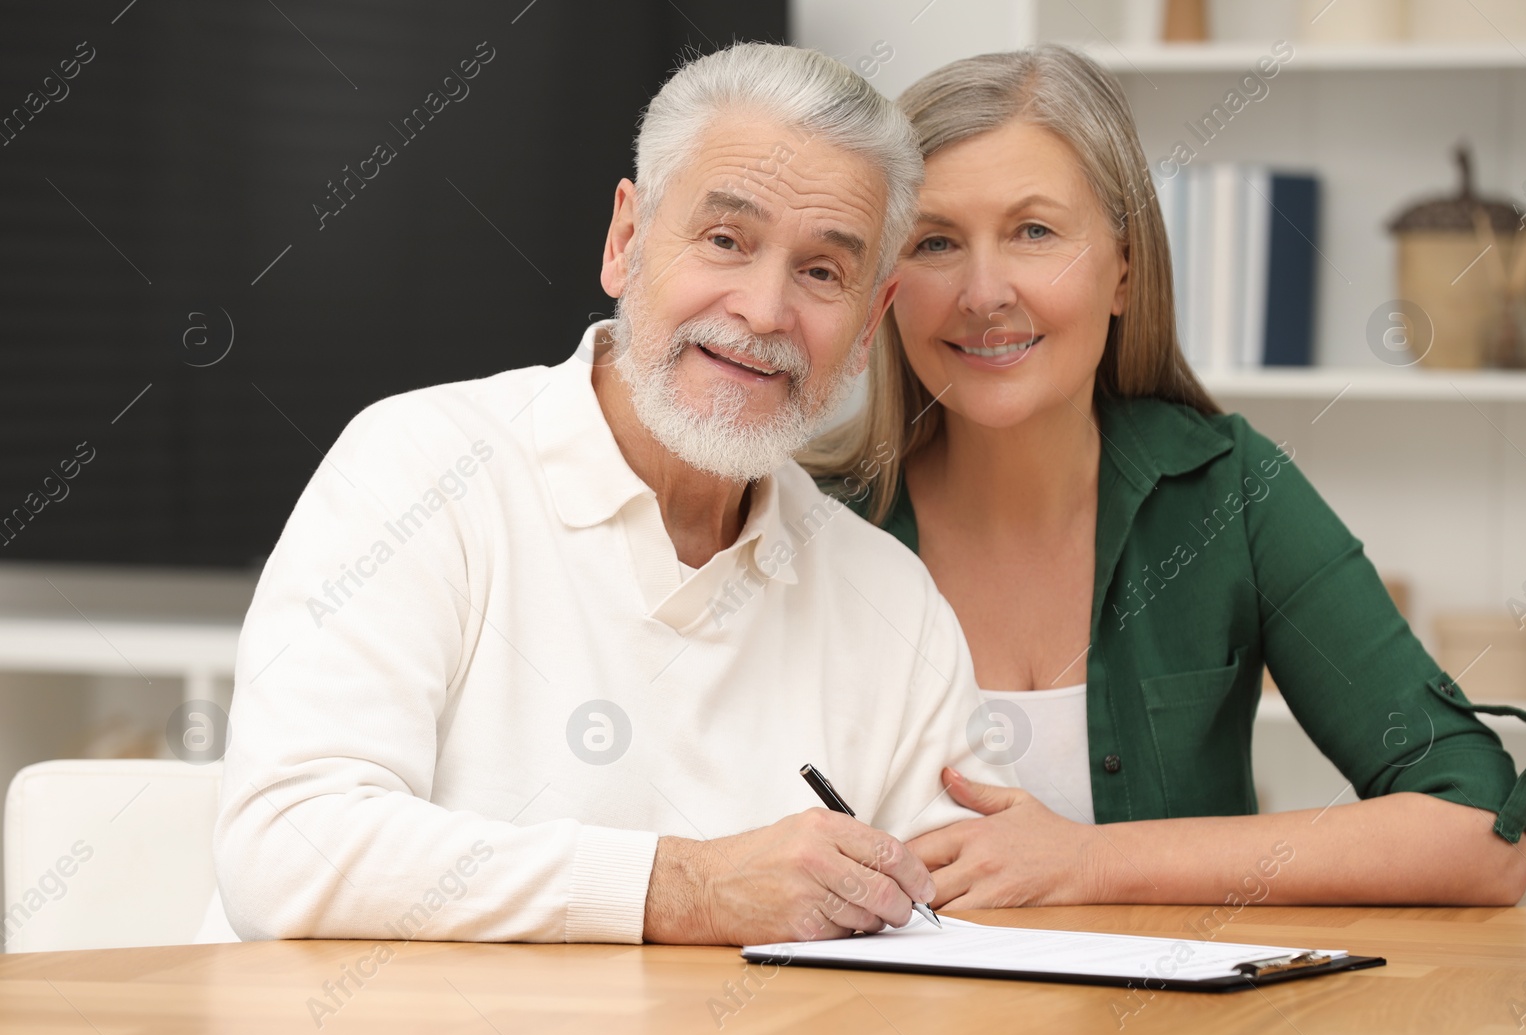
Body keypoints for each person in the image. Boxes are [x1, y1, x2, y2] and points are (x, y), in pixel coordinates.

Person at [212, 42, 1017, 948]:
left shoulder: (889, 596)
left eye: (823, 272)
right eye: (725, 240)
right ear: (626, 241)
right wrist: (690, 889)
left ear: (870, 324)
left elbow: (948, 922)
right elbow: (287, 851)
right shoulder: (415, 467)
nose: (761, 309)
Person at [803, 45, 1526, 909]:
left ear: (1124, 267)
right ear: (887, 287)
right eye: (935, 241)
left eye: (1034, 231)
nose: (983, 291)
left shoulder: (1231, 491)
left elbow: (1479, 827)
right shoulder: (808, 524)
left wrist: (1087, 863)